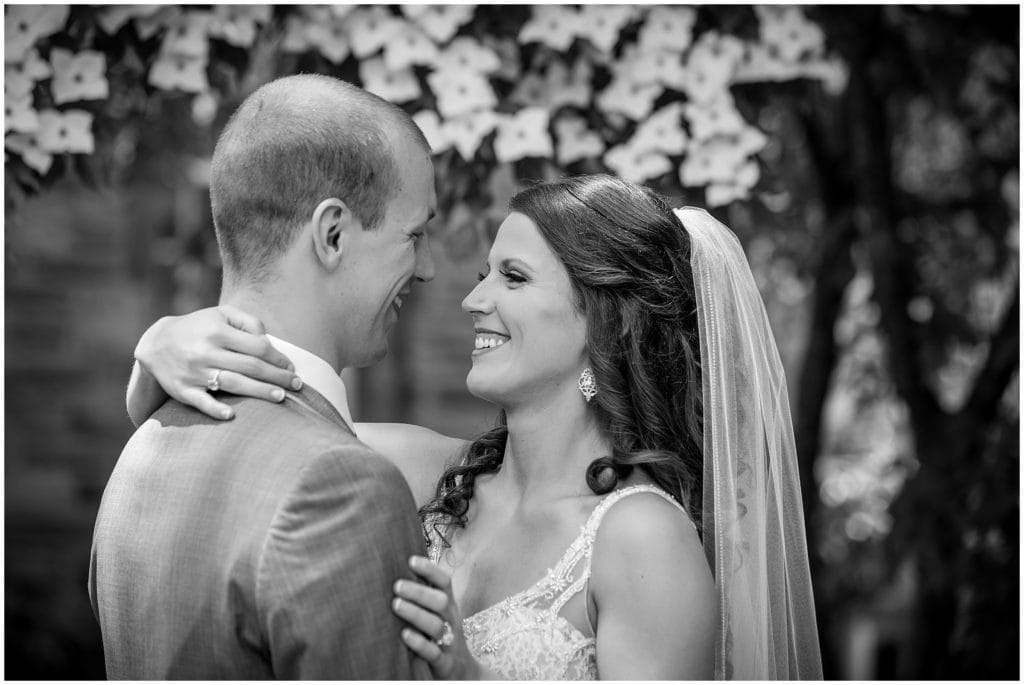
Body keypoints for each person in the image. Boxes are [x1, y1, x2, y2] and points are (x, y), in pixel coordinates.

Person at [128, 175, 823, 679]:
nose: (472, 298)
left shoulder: (643, 539)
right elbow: (253, 434)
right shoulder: (414, 471)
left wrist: (467, 674)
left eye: (512, 278)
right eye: (485, 272)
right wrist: (163, 347)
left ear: (603, 323)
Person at [88, 74, 437, 679]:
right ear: (332, 235)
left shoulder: (144, 441)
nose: (428, 268)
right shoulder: (342, 486)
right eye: (414, 235)